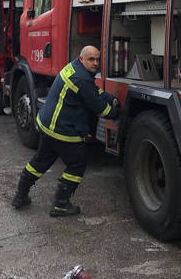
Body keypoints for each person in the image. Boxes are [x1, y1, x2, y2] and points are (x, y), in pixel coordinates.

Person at [11, 45, 121, 216]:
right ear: (82, 58)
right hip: (62, 130)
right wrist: (118, 110)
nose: (95, 63)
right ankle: (61, 204)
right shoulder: (82, 79)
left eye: (98, 59)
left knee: (40, 162)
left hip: (48, 126)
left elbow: (93, 91)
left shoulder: (74, 68)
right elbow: (101, 110)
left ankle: (20, 196)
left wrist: (108, 97)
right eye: (91, 59)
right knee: (77, 164)